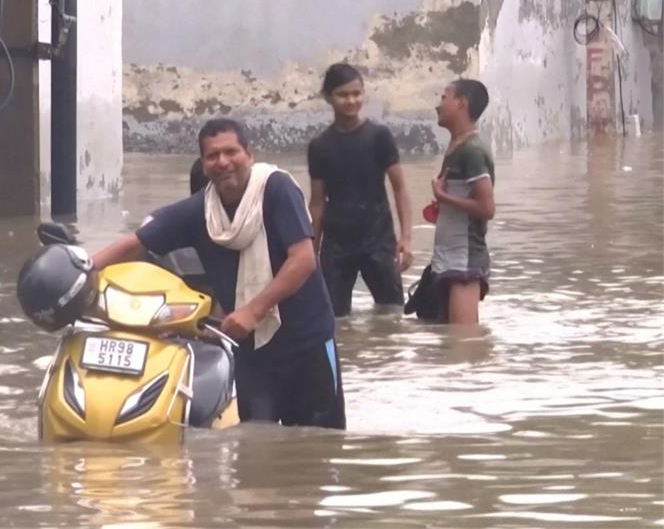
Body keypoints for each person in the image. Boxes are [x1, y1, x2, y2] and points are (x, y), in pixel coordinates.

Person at [92, 118, 345, 429]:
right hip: (253, 354)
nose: (223, 162)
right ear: (203, 163)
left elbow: (303, 260)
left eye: (231, 152)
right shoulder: (201, 211)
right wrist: (83, 272)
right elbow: (134, 244)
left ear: (249, 154)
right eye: (212, 156)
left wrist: (253, 310)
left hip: (307, 345)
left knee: (320, 446)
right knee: (257, 448)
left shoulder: (277, 190)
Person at [307, 63, 413, 317]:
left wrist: (406, 238)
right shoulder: (320, 146)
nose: (351, 101)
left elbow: (399, 188)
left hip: (379, 239)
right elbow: (318, 202)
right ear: (328, 97)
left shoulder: (379, 136)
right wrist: (311, 250)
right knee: (334, 317)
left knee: (392, 315)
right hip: (337, 244)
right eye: (343, 95)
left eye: (357, 94)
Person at [431, 79, 495, 324]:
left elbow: (487, 209)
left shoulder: (473, 151)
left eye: (444, 98)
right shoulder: (456, 146)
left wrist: (442, 196)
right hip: (447, 257)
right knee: (450, 347)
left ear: (461, 103)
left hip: (464, 260)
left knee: (464, 343)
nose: (438, 106)